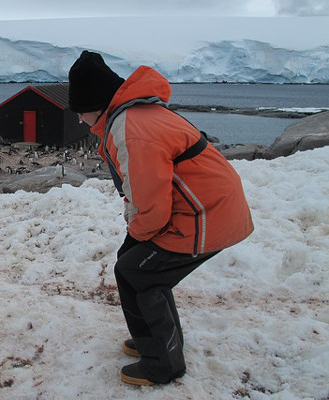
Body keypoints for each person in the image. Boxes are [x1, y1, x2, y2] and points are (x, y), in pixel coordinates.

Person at [68, 51, 254, 386]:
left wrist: (141, 230)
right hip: (202, 209)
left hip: (205, 215)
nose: (80, 120)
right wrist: (137, 232)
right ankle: (152, 342)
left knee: (140, 273)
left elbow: (150, 196)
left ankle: (163, 364)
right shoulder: (134, 114)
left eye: (80, 111)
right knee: (132, 263)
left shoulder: (132, 127)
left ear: (95, 103)